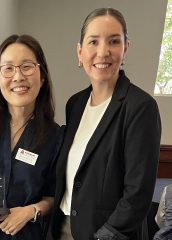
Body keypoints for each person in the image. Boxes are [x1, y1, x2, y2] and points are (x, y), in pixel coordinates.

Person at [51, 7, 162, 240]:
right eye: (93, 42)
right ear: (79, 52)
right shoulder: (75, 104)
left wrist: (105, 236)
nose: (103, 52)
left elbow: (138, 193)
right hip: (62, 226)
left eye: (113, 41)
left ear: (125, 49)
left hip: (107, 234)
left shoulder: (140, 107)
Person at [0, 34, 63, 240]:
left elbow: (53, 196)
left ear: (42, 76)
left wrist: (30, 211)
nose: (17, 77)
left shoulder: (55, 136)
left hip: (24, 234)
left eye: (26, 66)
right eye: (8, 68)